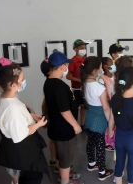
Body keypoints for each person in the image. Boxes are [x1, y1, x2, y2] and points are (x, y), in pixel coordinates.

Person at [0, 64, 49, 184]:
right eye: (22, 79)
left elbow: (18, 117)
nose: (24, 81)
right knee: (33, 177)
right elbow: (19, 135)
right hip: (22, 149)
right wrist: (38, 124)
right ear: (13, 85)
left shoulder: (8, 97)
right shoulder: (12, 108)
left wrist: (30, 116)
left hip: (23, 147)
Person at [43, 51, 83, 184]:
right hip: (63, 129)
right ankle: (65, 181)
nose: (67, 68)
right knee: (66, 156)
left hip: (55, 127)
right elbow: (64, 110)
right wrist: (76, 125)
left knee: (61, 154)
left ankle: (63, 175)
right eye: (66, 65)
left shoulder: (48, 82)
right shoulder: (59, 86)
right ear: (61, 66)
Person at [79, 56, 114, 181]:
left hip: (90, 117)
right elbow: (105, 108)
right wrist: (111, 124)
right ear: (95, 70)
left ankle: (91, 164)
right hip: (99, 118)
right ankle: (102, 172)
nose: (101, 69)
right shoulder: (100, 87)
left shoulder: (85, 83)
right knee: (100, 145)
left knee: (91, 142)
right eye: (100, 67)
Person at [109, 66, 133, 184]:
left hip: (119, 138)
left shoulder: (115, 98)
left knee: (119, 163)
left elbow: (111, 118)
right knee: (132, 166)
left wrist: (110, 130)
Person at [66, 39, 89, 130]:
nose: (84, 50)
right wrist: (80, 80)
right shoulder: (72, 61)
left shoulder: (86, 59)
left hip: (85, 88)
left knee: (84, 106)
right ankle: (74, 125)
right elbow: (68, 76)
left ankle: (82, 124)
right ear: (75, 49)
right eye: (81, 48)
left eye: (84, 48)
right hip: (76, 88)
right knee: (75, 107)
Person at [98, 57, 116, 151]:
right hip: (108, 105)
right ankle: (108, 142)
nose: (113, 65)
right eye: (111, 63)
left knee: (114, 124)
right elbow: (102, 94)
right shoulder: (102, 79)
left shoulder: (115, 76)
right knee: (109, 123)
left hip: (115, 104)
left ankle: (112, 140)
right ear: (105, 67)